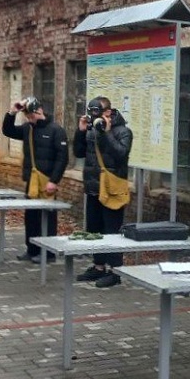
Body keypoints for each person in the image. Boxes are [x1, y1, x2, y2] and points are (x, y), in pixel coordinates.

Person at [73, 96, 132, 288]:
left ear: (108, 112)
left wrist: (106, 133)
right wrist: (81, 131)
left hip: (112, 190)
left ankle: (115, 271)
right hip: (94, 188)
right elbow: (79, 153)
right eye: (91, 112)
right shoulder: (91, 130)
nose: (93, 116)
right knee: (95, 229)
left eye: (96, 112)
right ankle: (98, 266)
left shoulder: (124, 131)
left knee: (112, 231)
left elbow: (121, 154)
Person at [1, 96, 68, 263]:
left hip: (47, 181)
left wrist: (54, 180)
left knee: (47, 218)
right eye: (27, 117)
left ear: (40, 111)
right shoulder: (27, 129)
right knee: (31, 217)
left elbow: (62, 158)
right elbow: (8, 131)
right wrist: (12, 112)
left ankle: (49, 253)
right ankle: (32, 250)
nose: (30, 119)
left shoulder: (56, 130)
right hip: (32, 181)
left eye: (32, 116)